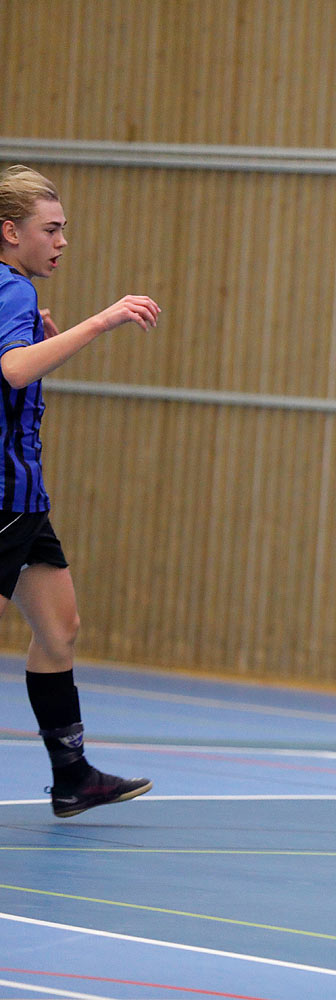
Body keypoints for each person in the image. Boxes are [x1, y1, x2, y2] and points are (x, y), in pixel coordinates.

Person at [0, 164, 161, 818]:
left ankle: (72, 777)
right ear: (9, 232)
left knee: (59, 628)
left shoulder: (13, 296)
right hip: (2, 500)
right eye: (51, 229)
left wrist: (46, 337)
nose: (62, 241)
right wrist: (97, 324)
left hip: (24, 501)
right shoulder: (9, 288)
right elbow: (12, 372)